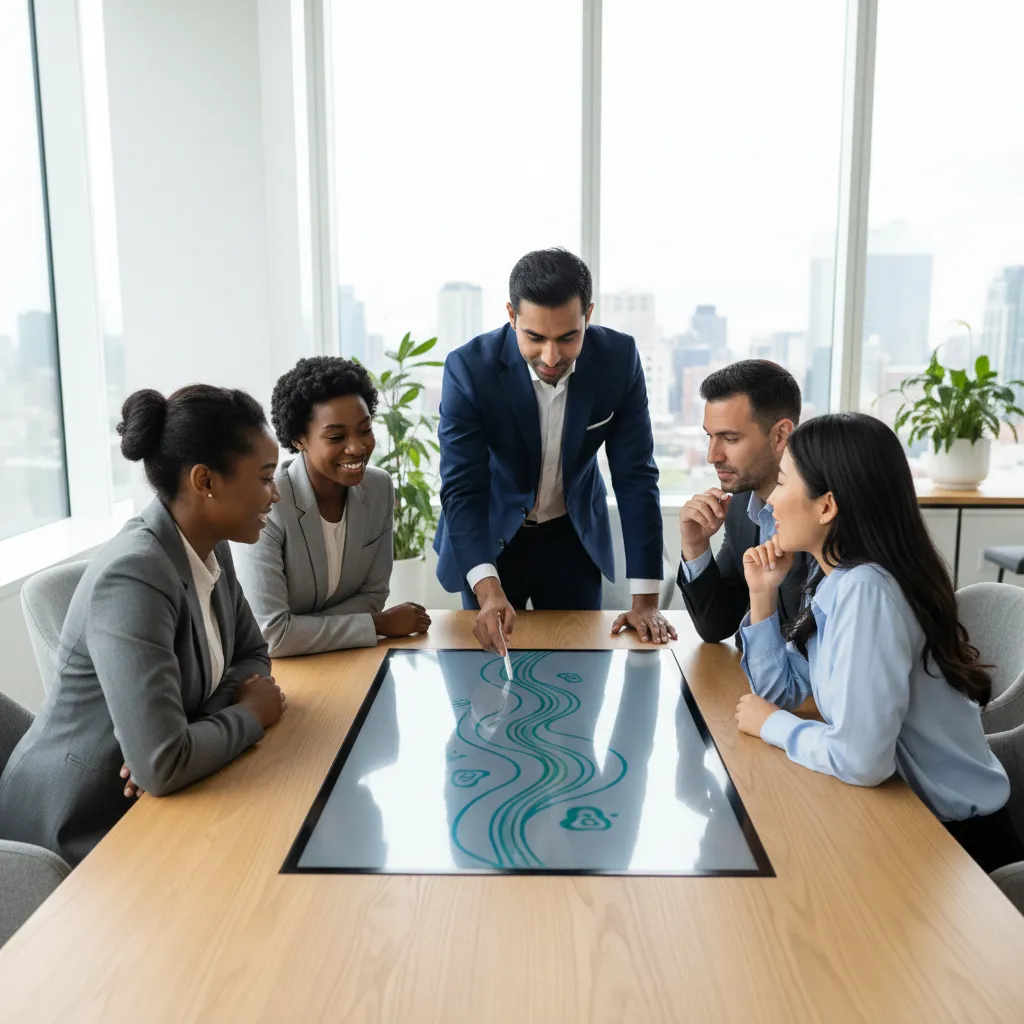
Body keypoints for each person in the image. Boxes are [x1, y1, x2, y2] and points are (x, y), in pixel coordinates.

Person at [0, 385, 288, 866]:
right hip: (72, 829)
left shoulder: (212, 544)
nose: (275, 494)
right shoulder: (134, 575)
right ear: (205, 481)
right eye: (264, 478)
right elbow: (160, 765)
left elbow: (252, 656)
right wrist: (249, 716)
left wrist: (189, 733)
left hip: (154, 800)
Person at [734, 412, 1023, 873]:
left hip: (956, 849)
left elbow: (861, 759)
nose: (770, 503)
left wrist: (773, 726)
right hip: (906, 815)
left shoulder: (866, 590)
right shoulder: (838, 577)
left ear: (826, 507)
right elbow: (778, 694)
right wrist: (763, 594)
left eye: (782, 484)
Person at [433, 248, 674, 654]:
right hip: (491, 537)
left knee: (579, 674)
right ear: (512, 316)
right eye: (534, 337)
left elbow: (635, 476)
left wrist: (645, 602)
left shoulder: (619, 359)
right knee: (486, 686)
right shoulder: (469, 369)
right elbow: (462, 488)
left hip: (571, 538)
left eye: (568, 337)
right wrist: (488, 589)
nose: (551, 356)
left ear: (588, 316)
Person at [233, 357, 429, 656]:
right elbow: (271, 633)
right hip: (282, 674)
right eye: (336, 437)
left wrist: (299, 628)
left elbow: (374, 595)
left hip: (351, 657)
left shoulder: (378, 488)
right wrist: (378, 625)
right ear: (299, 439)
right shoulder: (269, 501)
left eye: (364, 430)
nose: (357, 447)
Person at [677, 360, 810, 643]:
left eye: (730, 438)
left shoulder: (821, 513)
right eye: (710, 437)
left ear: (780, 435)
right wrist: (695, 546)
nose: (713, 455)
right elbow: (717, 625)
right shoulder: (741, 506)